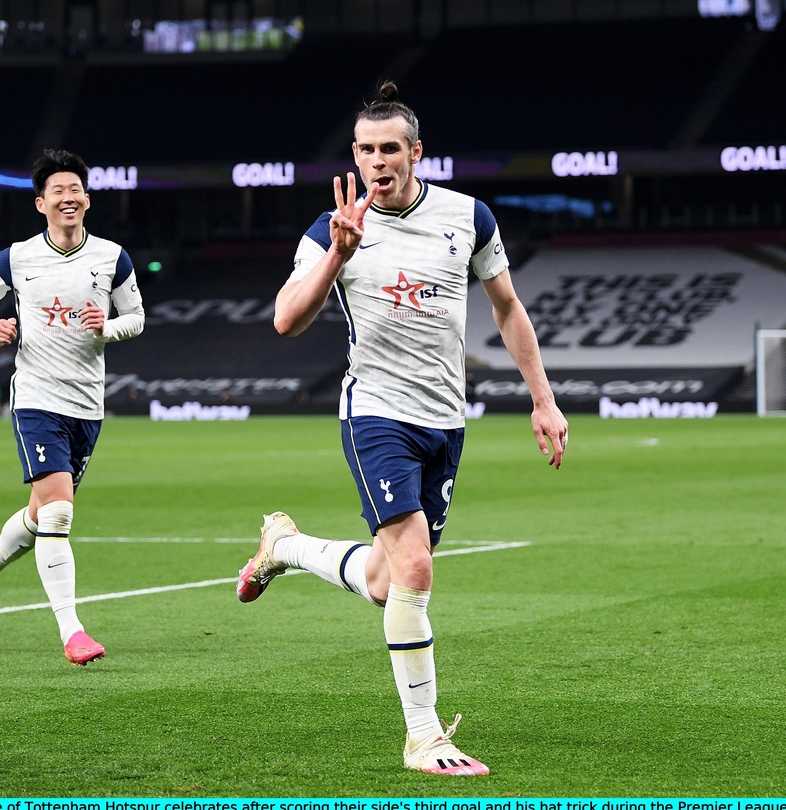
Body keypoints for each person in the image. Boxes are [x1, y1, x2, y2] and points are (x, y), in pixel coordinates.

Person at [235, 82, 568, 777]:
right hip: (375, 411)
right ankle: (424, 739)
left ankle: (286, 548)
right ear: (353, 156)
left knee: (391, 584)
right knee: (418, 568)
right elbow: (285, 320)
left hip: (445, 420)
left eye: (391, 149)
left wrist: (543, 400)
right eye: (365, 150)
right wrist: (338, 254)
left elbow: (507, 307)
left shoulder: (467, 218)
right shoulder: (330, 230)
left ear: (416, 153)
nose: (377, 161)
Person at [0, 149, 145, 665]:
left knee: (42, 513)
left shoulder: (112, 257)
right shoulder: (17, 257)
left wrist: (106, 326)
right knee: (60, 511)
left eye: (75, 190)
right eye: (57, 191)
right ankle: (72, 630)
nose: (68, 198)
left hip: (87, 404)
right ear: (41, 203)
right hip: (36, 397)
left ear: (87, 199)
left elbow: (136, 317)